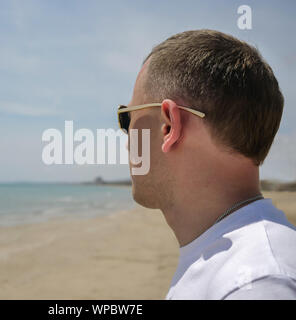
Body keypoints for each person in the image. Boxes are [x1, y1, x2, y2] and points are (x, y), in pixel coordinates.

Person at [118, 30, 296, 299]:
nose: (127, 139)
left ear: (169, 126)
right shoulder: (240, 262)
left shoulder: (255, 283)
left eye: (127, 119)